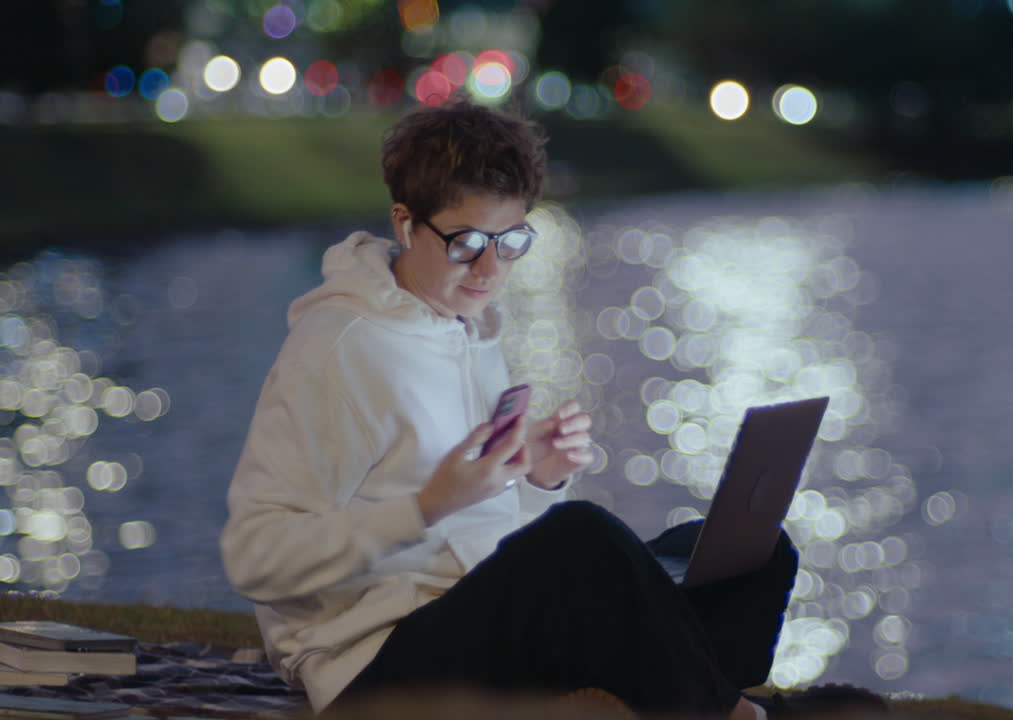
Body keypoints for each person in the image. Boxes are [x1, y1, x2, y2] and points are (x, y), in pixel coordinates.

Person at [220, 96, 887, 719]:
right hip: (372, 669)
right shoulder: (339, 348)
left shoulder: (464, 327)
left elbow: (484, 538)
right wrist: (425, 507)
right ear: (405, 221)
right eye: (468, 244)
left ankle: (718, 696)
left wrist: (534, 481)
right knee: (583, 541)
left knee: (749, 552)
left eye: (510, 243)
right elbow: (257, 559)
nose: (490, 271)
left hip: (464, 613)